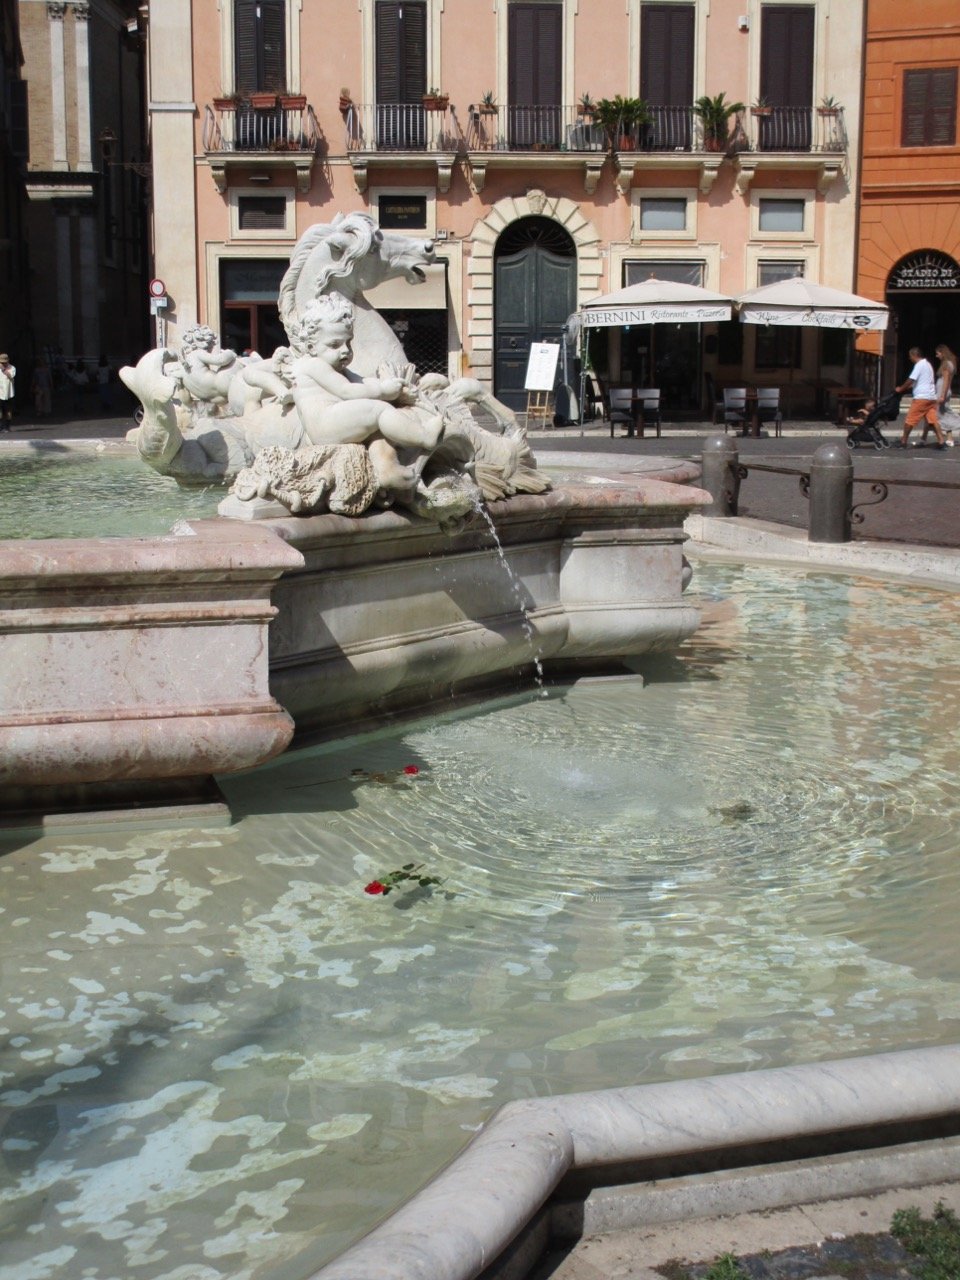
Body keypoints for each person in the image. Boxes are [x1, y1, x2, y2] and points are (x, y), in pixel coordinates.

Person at [290, 294, 442, 497]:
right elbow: (347, 391)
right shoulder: (313, 365)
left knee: (379, 431)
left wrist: (390, 385)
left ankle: (387, 469)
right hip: (325, 424)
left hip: (333, 419)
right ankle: (424, 437)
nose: (345, 351)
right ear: (310, 346)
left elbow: (361, 382)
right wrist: (384, 392)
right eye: (335, 345)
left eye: (348, 343)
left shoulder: (333, 365)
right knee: (378, 410)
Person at [894, 346, 945, 448]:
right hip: (931, 397)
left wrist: (901, 388)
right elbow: (923, 380)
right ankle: (941, 441)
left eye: (910, 356)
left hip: (921, 398)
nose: (909, 358)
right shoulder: (928, 364)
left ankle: (903, 441)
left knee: (910, 420)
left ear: (914, 355)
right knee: (933, 420)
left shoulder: (919, 365)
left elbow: (911, 379)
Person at [0, 354, 15, 428]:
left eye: (4, 363)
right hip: (0, 391)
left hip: (8, 392)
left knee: (8, 410)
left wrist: (3, 370)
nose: (3, 364)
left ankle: (7, 426)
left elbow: (11, 376)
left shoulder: (12, 368)